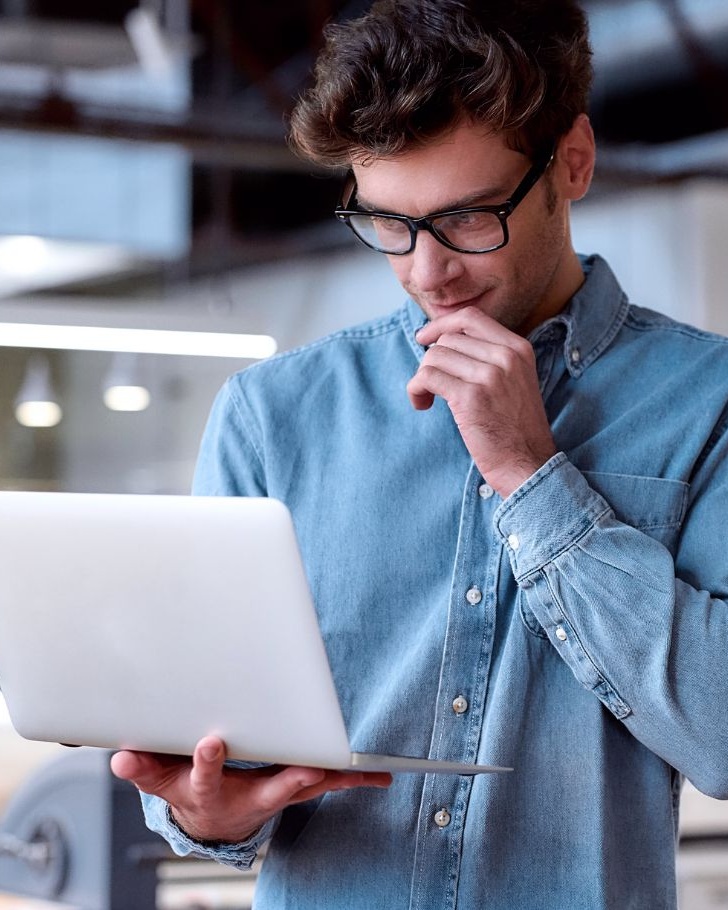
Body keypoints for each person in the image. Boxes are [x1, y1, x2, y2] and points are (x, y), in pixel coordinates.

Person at [111, 1, 728, 906]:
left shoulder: (708, 403)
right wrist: (210, 811)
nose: (426, 271)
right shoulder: (272, 416)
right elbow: (214, 759)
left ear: (573, 160)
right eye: (388, 222)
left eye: (469, 218)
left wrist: (533, 477)